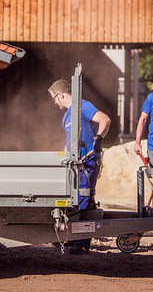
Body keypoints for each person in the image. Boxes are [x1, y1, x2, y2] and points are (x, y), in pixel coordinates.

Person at [48, 79, 111, 255]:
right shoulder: (66, 117)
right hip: (75, 165)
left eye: (54, 98)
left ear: (61, 95)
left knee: (82, 200)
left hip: (87, 163)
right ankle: (72, 237)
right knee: (73, 201)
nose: (54, 102)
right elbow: (69, 142)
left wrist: (98, 139)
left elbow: (105, 119)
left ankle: (81, 243)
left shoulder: (83, 106)